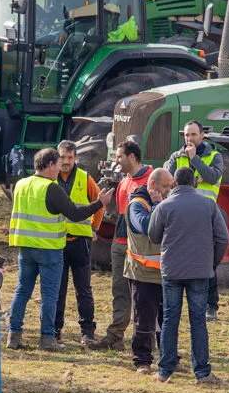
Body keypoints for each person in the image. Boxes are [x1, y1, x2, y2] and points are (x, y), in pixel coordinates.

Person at [8, 148, 111, 350]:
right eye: (57, 164)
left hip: (25, 248)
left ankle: (14, 335)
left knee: (22, 291)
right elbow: (74, 213)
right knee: (49, 295)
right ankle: (47, 338)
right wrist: (100, 203)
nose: (59, 168)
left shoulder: (21, 184)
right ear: (49, 165)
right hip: (48, 250)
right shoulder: (51, 188)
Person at [148, 165, 229, 383]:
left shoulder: (164, 207)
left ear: (174, 183)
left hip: (172, 271)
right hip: (200, 271)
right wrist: (212, 263)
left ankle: (165, 370)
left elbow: (154, 236)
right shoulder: (209, 205)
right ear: (194, 182)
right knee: (198, 321)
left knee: (170, 319)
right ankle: (202, 372)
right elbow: (223, 238)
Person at [93, 139, 150, 351]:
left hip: (139, 246)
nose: (116, 160)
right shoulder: (125, 180)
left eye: (119, 156)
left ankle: (144, 338)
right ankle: (115, 336)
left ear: (132, 157)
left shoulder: (150, 179)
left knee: (142, 294)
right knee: (119, 289)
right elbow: (120, 213)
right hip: (120, 241)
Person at [164, 121, 224, 320]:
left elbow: (212, 177)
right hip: (181, 215)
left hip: (206, 216)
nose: (189, 139)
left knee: (208, 263)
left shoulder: (215, 156)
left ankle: (211, 305)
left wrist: (195, 159)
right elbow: (166, 177)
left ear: (202, 136)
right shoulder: (176, 157)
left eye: (193, 135)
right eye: (187, 135)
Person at [53, 140, 102, 348]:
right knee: (58, 289)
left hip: (80, 242)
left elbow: (100, 202)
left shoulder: (85, 178)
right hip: (57, 242)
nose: (65, 162)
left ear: (76, 158)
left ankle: (88, 332)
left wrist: (95, 228)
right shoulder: (49, 177)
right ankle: (55, 331)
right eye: (62, 157)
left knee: (84, 289)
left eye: (70, 158)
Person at [124, 167, 170, 372]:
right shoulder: (137, 205)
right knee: (144, 320)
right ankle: (142, 360)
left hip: (165, 274)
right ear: (153, 186)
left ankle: (169, 357)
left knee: (167, 319)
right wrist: (159, 206)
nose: (170, 190)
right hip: (143, 273)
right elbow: (145, 227)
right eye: (166, 186)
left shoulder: (165, 203)